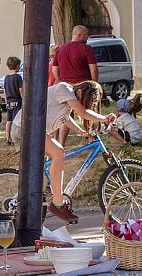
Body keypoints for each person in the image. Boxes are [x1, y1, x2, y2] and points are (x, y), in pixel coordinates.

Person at [10, 80, 115, 224]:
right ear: (80, 92)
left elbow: (65, 118)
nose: (83, 104)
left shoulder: (67, 99)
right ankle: (58, 204)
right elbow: (83, 113)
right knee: (58, 152)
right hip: (24, 127)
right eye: (86, 101)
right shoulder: (64, 89)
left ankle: (54, 199)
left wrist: (81, 132)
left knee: (55, 158)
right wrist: (105, 118)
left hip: (32, 128)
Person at [51, 25, 99, 144]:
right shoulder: (86, 48)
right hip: (83, 87)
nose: (87, 37)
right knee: (87, 112)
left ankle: (61, 143)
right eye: (86, 35)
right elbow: (93, 69)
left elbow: (54, 69)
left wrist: (59, 80)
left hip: (65, 88)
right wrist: (94, 83)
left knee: (66, 115)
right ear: (79, 35)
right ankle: (90, 139)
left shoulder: (60, 49)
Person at [4, 56, 23, 146]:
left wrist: (5, 100)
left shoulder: (6, 78)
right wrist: (23, 99)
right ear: (17, 66)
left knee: (9, 121)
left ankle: (8, 138)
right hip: (17, 101)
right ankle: (15, 139)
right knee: (16, 121)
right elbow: (20, 90)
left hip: (8, 102)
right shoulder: (18, 77)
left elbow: (5, 90)